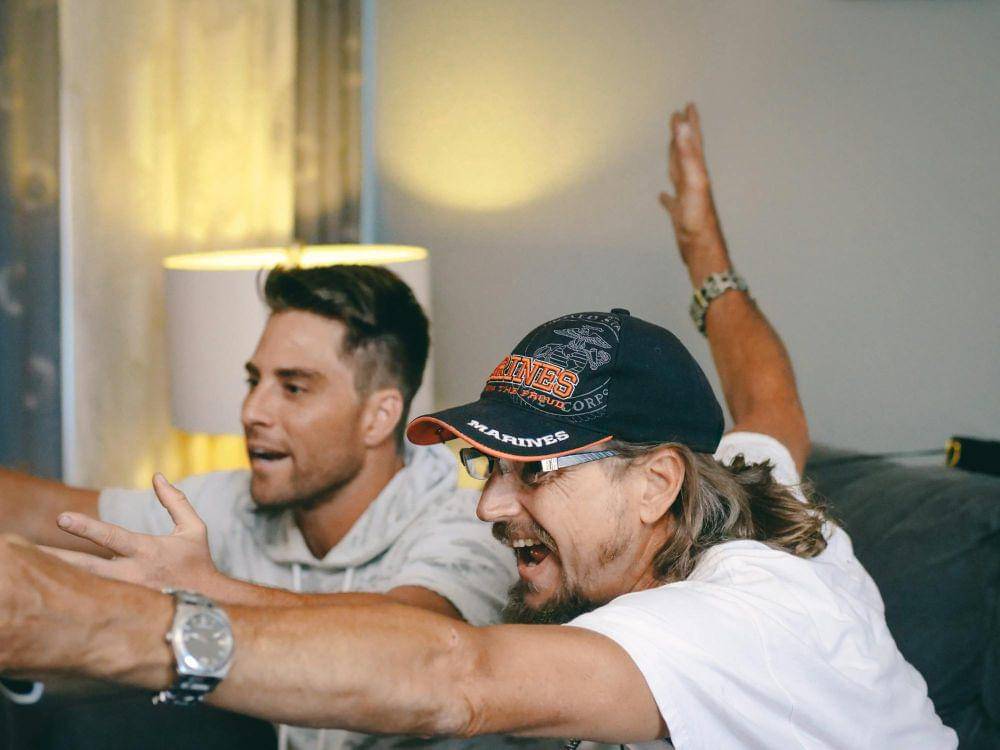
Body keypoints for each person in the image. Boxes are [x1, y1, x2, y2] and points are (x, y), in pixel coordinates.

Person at [0, 104, 956, 749]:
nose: (492, 507)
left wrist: (94, 622)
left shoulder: (736, 619)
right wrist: (703, 250)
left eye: (534, 471)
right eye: (486, 466)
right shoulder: (748, 482)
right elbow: (769, 397)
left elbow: (452, 677)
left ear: (658, 483)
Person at [0, 265, 526, 749]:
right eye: (255, 381)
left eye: (293, 388)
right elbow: (43, 513)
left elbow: (413, 643)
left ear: (378, 416)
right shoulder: (225, 505)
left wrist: (207, 590)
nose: (252, 411)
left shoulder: (472, 525)